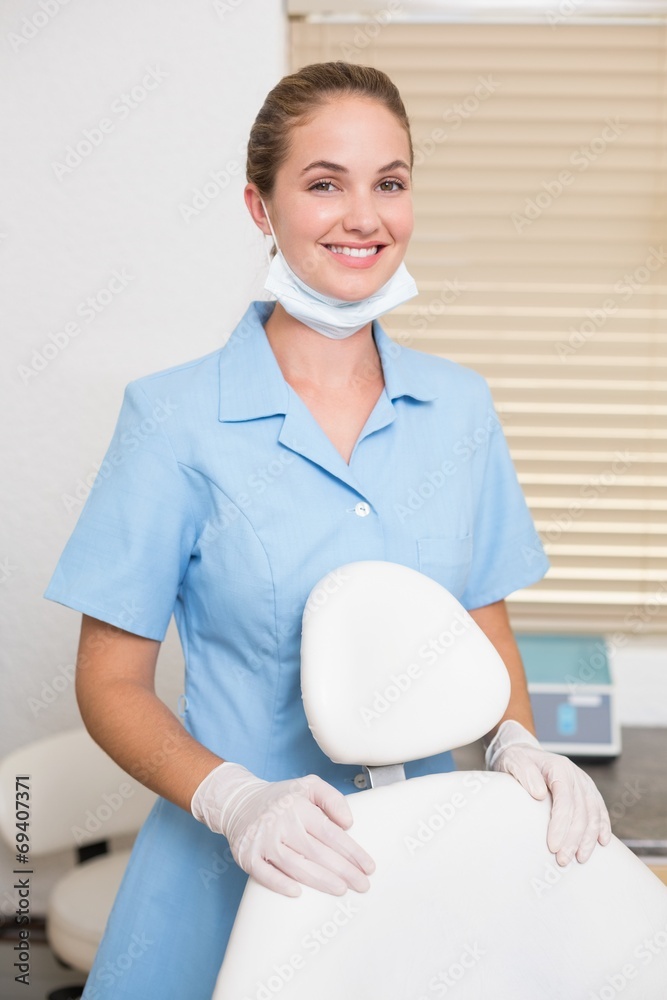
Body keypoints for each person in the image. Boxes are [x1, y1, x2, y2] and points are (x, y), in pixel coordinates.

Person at [44, 61, 611, 1000]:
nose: (364, 216)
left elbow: (486, 630)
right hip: (224, 880)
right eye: (323, 183)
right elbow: (108, 684)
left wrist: (520, 743)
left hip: (420, 876)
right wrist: (235, 801)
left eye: (389, 182)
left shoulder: (458, 411)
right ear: (259, 207)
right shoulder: (174, 420)